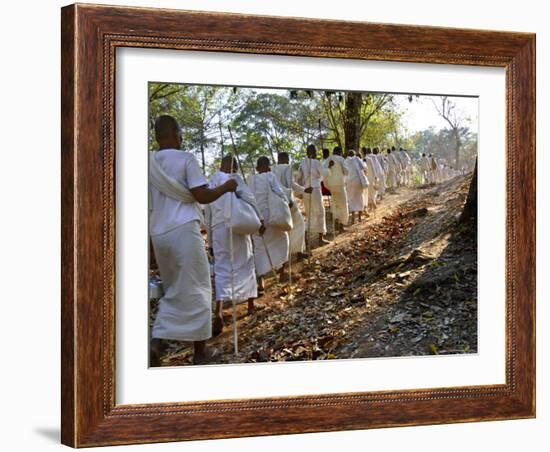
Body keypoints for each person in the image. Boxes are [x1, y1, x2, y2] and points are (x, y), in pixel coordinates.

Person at [149, 115, 238, 366]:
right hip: (184, 230)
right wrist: (226, 187)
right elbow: (201, 194)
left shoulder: (148, 163)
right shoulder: (186, 158)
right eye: (180, 132)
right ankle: (200, 352)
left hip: (158, 234)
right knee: (199, 288)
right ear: (176, 133)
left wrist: (150, 248)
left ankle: (156, 343)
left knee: (174, 290)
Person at [205, 156, 261, 334]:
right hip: (237, 226)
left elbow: (208, 214)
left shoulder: (211, 183)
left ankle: (219, 312)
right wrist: (259, 219)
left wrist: (211, 241)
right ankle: (251, 304)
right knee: (245, 263)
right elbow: (250, 200)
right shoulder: (235, 180)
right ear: (234, 167)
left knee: (222, 270)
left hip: (219, 230)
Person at [249, 156, 291, 293]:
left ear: (257, 168)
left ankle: (261, 282)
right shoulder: (270, 176)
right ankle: (282, 271)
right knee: (282, 239)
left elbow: (248, 198)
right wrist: (287, 201)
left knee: (259, 249)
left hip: (256, 218)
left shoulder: (251, 180)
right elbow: (279, 191)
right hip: (270, 216)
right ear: (268, 167)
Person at [272, 152, 308, 259]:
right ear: (286, 159)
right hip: (288, 201)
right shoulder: (287, 167)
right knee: (299, 223)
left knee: (285, 228)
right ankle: (298, 252)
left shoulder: (273, 169)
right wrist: (303, 190)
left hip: (277, 202)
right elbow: (289, 185)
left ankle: (285, 255)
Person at [296, 144, 329, 246]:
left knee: (309, 214)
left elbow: (298, 178)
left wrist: (302, 190)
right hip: (315, 190)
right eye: (314, 151)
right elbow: (325, 173)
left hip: (306, 191)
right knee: (320, 213)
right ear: (313, 152)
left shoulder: (303, 163)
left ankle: (306, 239)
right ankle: (320, 239)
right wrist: (329, 166)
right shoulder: (317, 162)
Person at [323, 146, 349, 233]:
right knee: (343, 205)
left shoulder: (327, 160)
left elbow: (324, 171)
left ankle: (336, 224)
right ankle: (341, 226)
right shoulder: (341, 159)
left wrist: (327, 185)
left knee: (335, 205)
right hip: (340, 185)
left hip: (332, 186)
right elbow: (346, 172)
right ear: (340, 152)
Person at [345, 149, 369, 224]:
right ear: (354, 154)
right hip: (357, 181)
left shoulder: (346, 161)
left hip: (349, 182)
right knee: (359, 198)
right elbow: (363, 167)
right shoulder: (357, 159)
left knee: (351, 198)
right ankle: (359, 218)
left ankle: (352, 218)